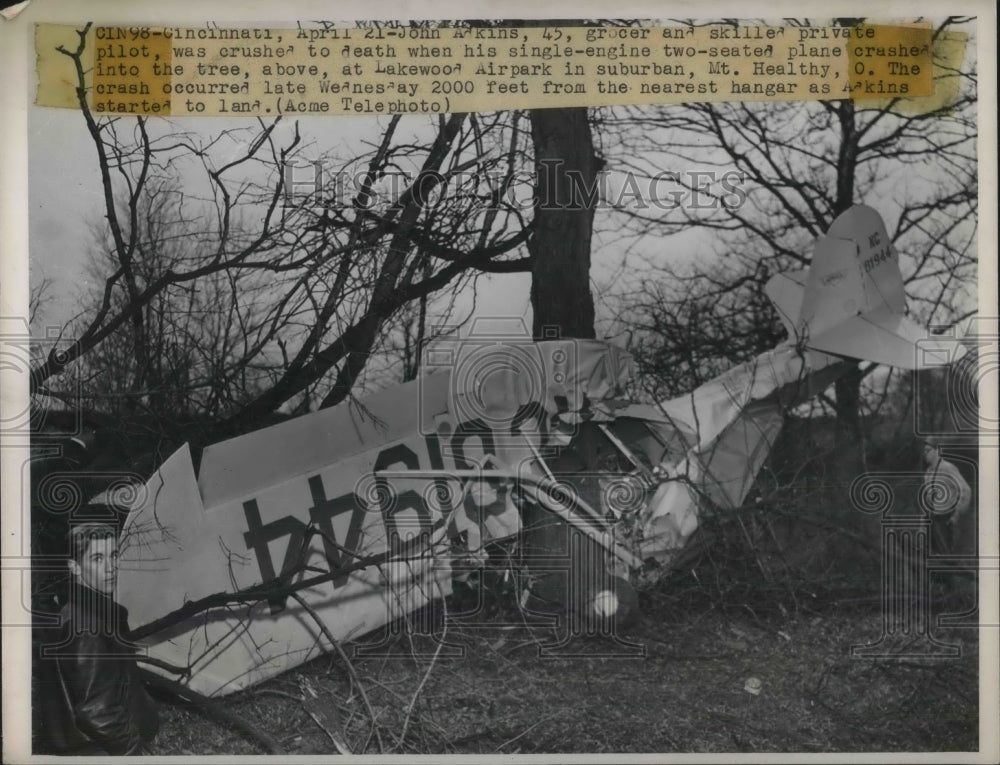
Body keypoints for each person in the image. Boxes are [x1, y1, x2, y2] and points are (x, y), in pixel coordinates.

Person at [36, 523, 159, 755]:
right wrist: (135, 751)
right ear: (75, 567)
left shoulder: (82, 611)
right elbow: (95, 712)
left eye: (113, 555)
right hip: (100, 749)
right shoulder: (86, 626)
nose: (111, 567)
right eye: (97, 559)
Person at [921, 437, 973, 554]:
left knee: (947, 554)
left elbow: (965, 490)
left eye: (928, 450)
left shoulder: (948, 468)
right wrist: (923, 520)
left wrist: (957, 514)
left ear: (937, 451)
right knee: (932, 554)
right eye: (924, 451)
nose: (925, 454)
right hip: (933, 519)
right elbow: (928, 499)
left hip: (947, 520)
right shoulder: (928, 473)